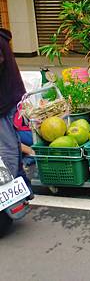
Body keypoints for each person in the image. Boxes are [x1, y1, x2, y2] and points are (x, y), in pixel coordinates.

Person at [0, 28, 31, 191]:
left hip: (3, 104)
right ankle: (23, 189)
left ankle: (10, 194)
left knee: (7, 150)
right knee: (12, 144)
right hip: (10, 99)